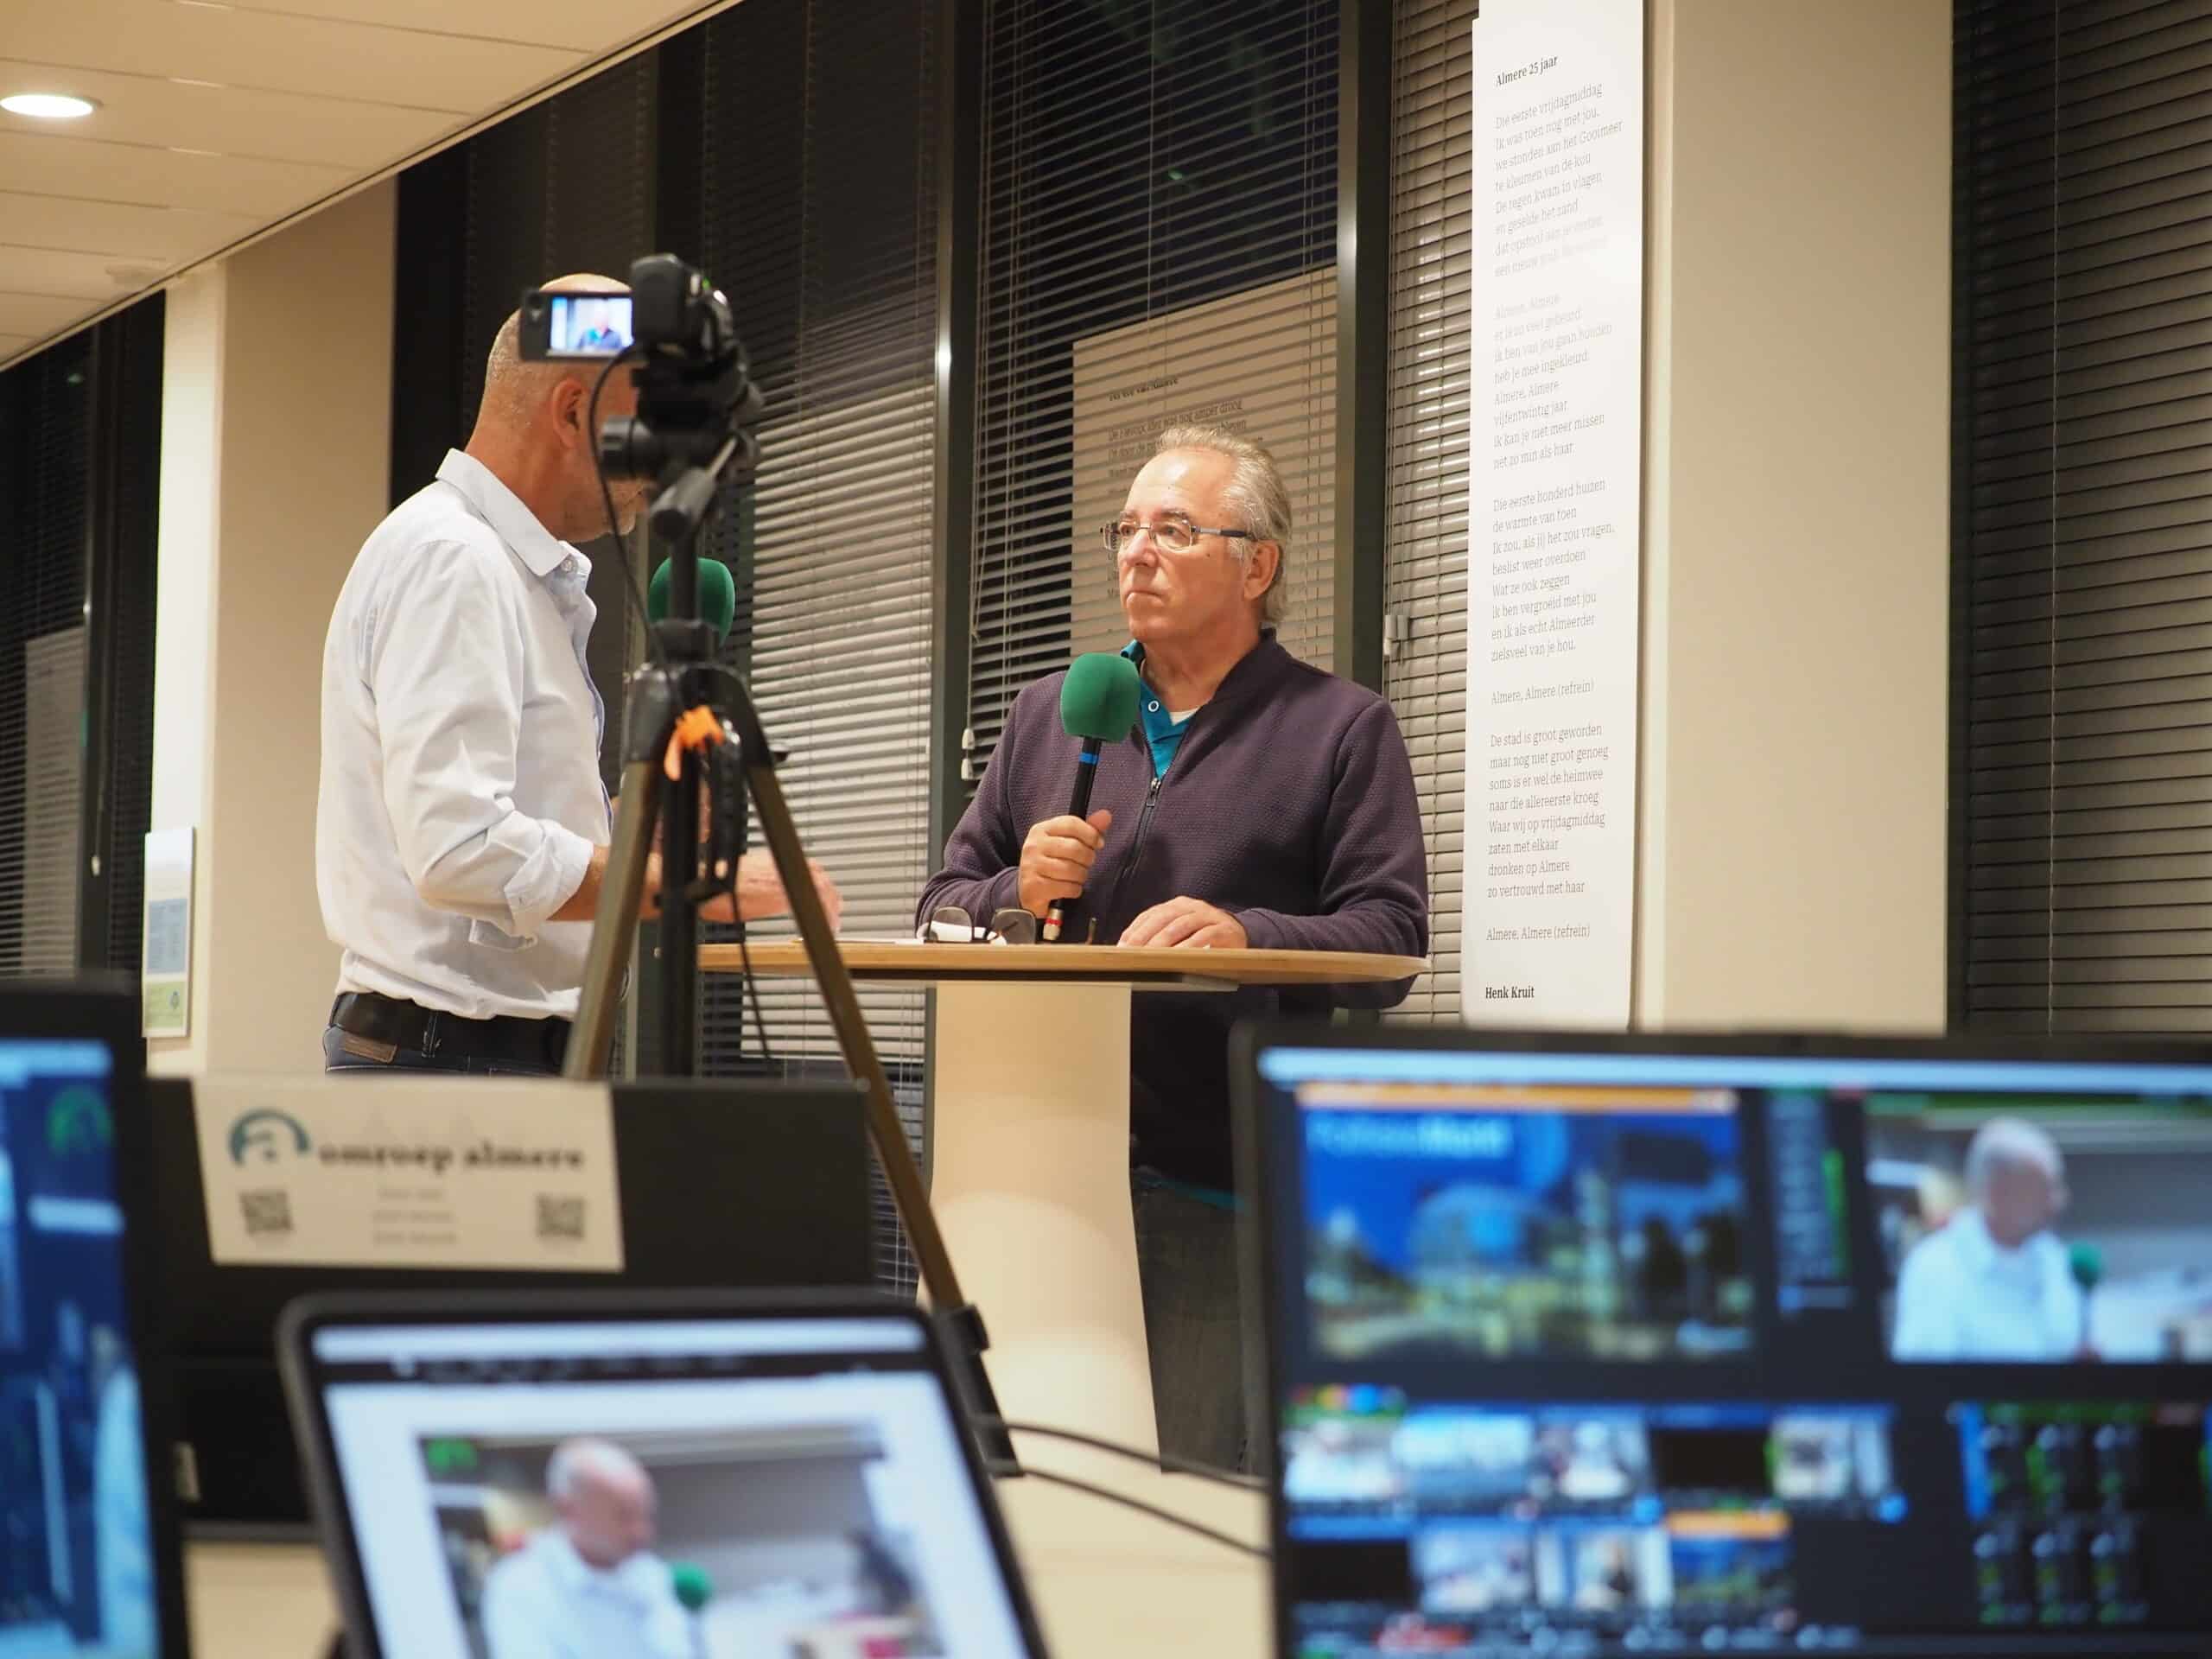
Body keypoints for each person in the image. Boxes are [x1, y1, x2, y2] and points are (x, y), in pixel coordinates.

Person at [918, 424, 1428, 1470]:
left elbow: (1391, 938)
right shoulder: (1049, 717)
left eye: (1175, 530)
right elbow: (939, 906)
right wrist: (1020, 887)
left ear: (1259, 565)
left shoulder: (1339, 728)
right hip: (1033, 1173)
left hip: (1210, 1192)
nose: (1135, 552)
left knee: (1190, 1501)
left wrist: (1249, 934)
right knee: (1025, 1493)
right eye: (1128, 528)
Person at [318, 272, 839, 1075]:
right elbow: (460, 849)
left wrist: (637, 834)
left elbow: (496, 823)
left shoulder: (504, 569)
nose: (661, 463)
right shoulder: (455, 560)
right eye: (650, 422)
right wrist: (690, 881)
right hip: (451, 1064)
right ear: (572, 414)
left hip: (487, 1059)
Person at [1891, 1117, 2087, 1362]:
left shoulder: (2056, 1259)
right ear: (1997, 1192)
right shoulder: (1934, 1267)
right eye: (2043, 1189)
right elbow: (1924, 1379)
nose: (2058, 1202)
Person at [480, 1439, 689, 1659]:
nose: (640, 1532)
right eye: (624, 1517)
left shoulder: (651, 1574)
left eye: (645, 1515)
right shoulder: (520, 1586)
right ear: (568, 1509)